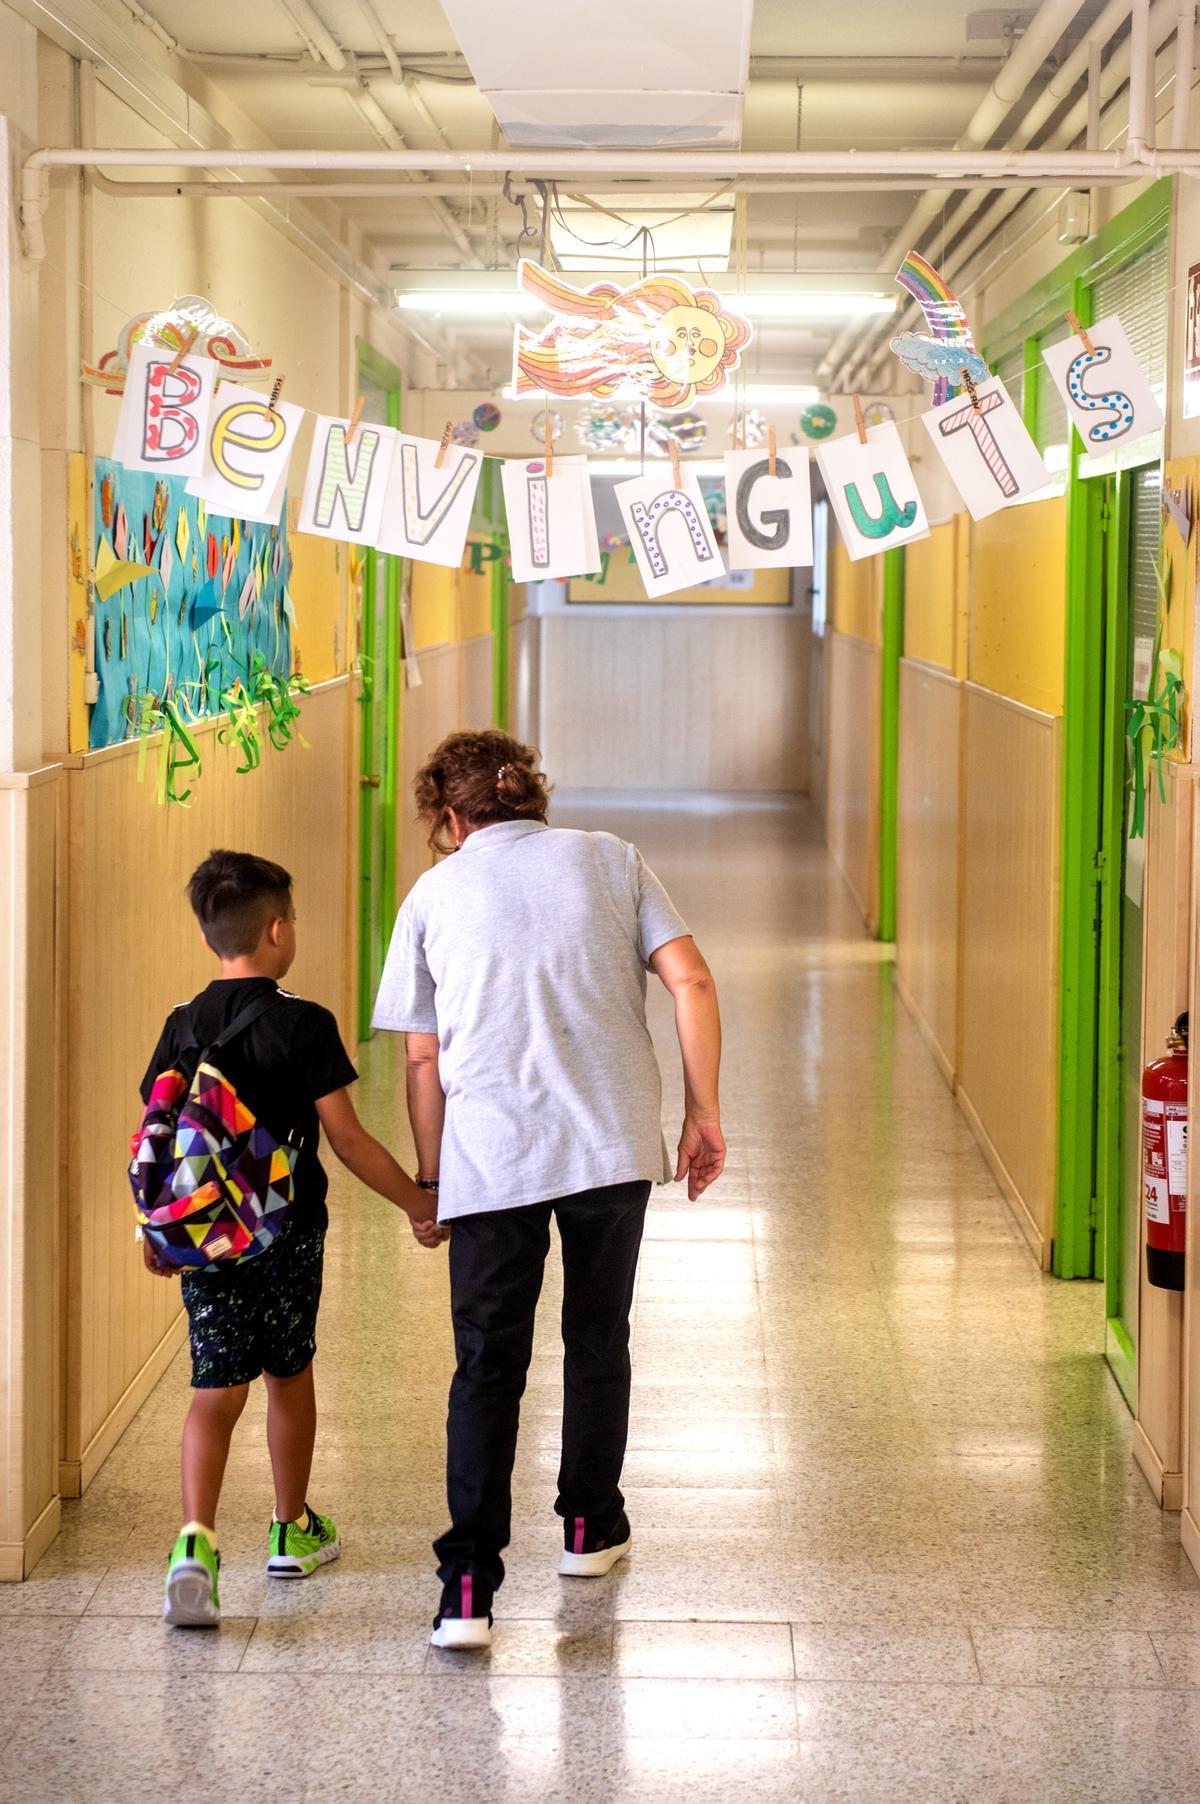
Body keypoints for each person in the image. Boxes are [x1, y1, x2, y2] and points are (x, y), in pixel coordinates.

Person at [372, 730, 725, 1650]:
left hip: (493, 1161)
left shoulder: (432, 893)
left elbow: (421, 1053)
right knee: (598, 1338)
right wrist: (703, 1113)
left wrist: (434, 1178)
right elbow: (689, 978)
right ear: (534, 798)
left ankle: (465, 1591)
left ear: (449, 819)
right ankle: (587, 1526)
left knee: (487, 1363)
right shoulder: (611, 859)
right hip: (608, 1146)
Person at [139, 849, 444, 1629]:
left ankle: (194, 1547)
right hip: (286, 1233)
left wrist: (157, 1228)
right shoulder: (303, 1023)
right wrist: (419, 1202)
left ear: (214, 938)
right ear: (277, 931)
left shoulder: (182, 1023)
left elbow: (161, 1131)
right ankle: (290, 1527)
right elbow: (346, 1140)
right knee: (288, 1372)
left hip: (203, 1237)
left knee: (214, 1387)